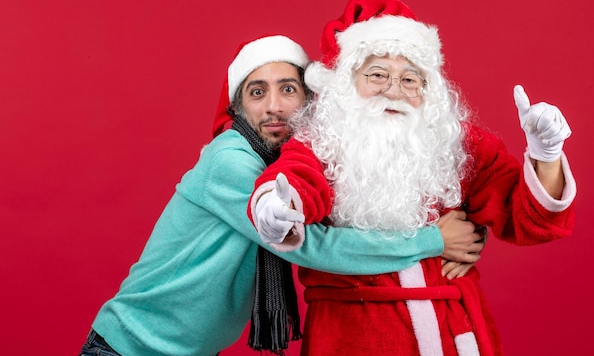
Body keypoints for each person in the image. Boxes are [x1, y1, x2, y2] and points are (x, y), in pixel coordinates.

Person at [78, 34, 484, 356]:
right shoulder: (231, 161)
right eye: (257, 92)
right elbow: (313, 247)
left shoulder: (296, 171)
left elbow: (366, 203)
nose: (274, 107)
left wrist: (469, 230)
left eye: (288, 90)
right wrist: (433, 240)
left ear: (309, 101)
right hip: (130, 348)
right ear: (238, 107)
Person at [248, 0, 577, 356]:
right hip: (352, 337)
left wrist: (546, 155)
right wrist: (275, 207)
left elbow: (526, 218)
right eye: (377, 75)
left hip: (455, 332)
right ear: (346, 83)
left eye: (410, 80)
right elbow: (295, 179)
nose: (394, 90)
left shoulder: (456, 143)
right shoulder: (323, 140)